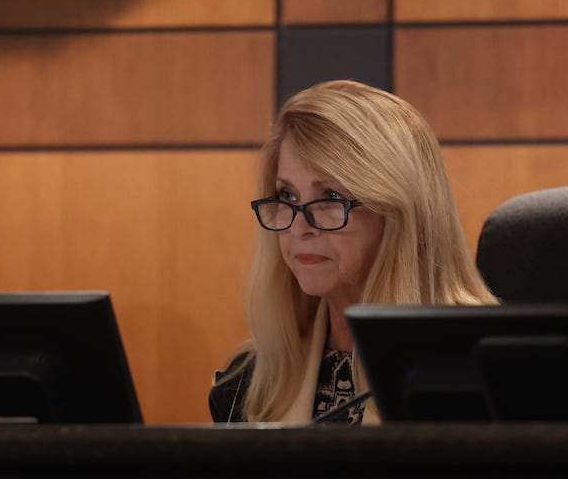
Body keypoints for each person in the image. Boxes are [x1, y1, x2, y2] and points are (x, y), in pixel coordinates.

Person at [209, 79, 499, 426]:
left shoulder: (486, 369)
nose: (299, 227)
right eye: (287, 197)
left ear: (399, 215)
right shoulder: (249, 383)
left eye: (330, 196)